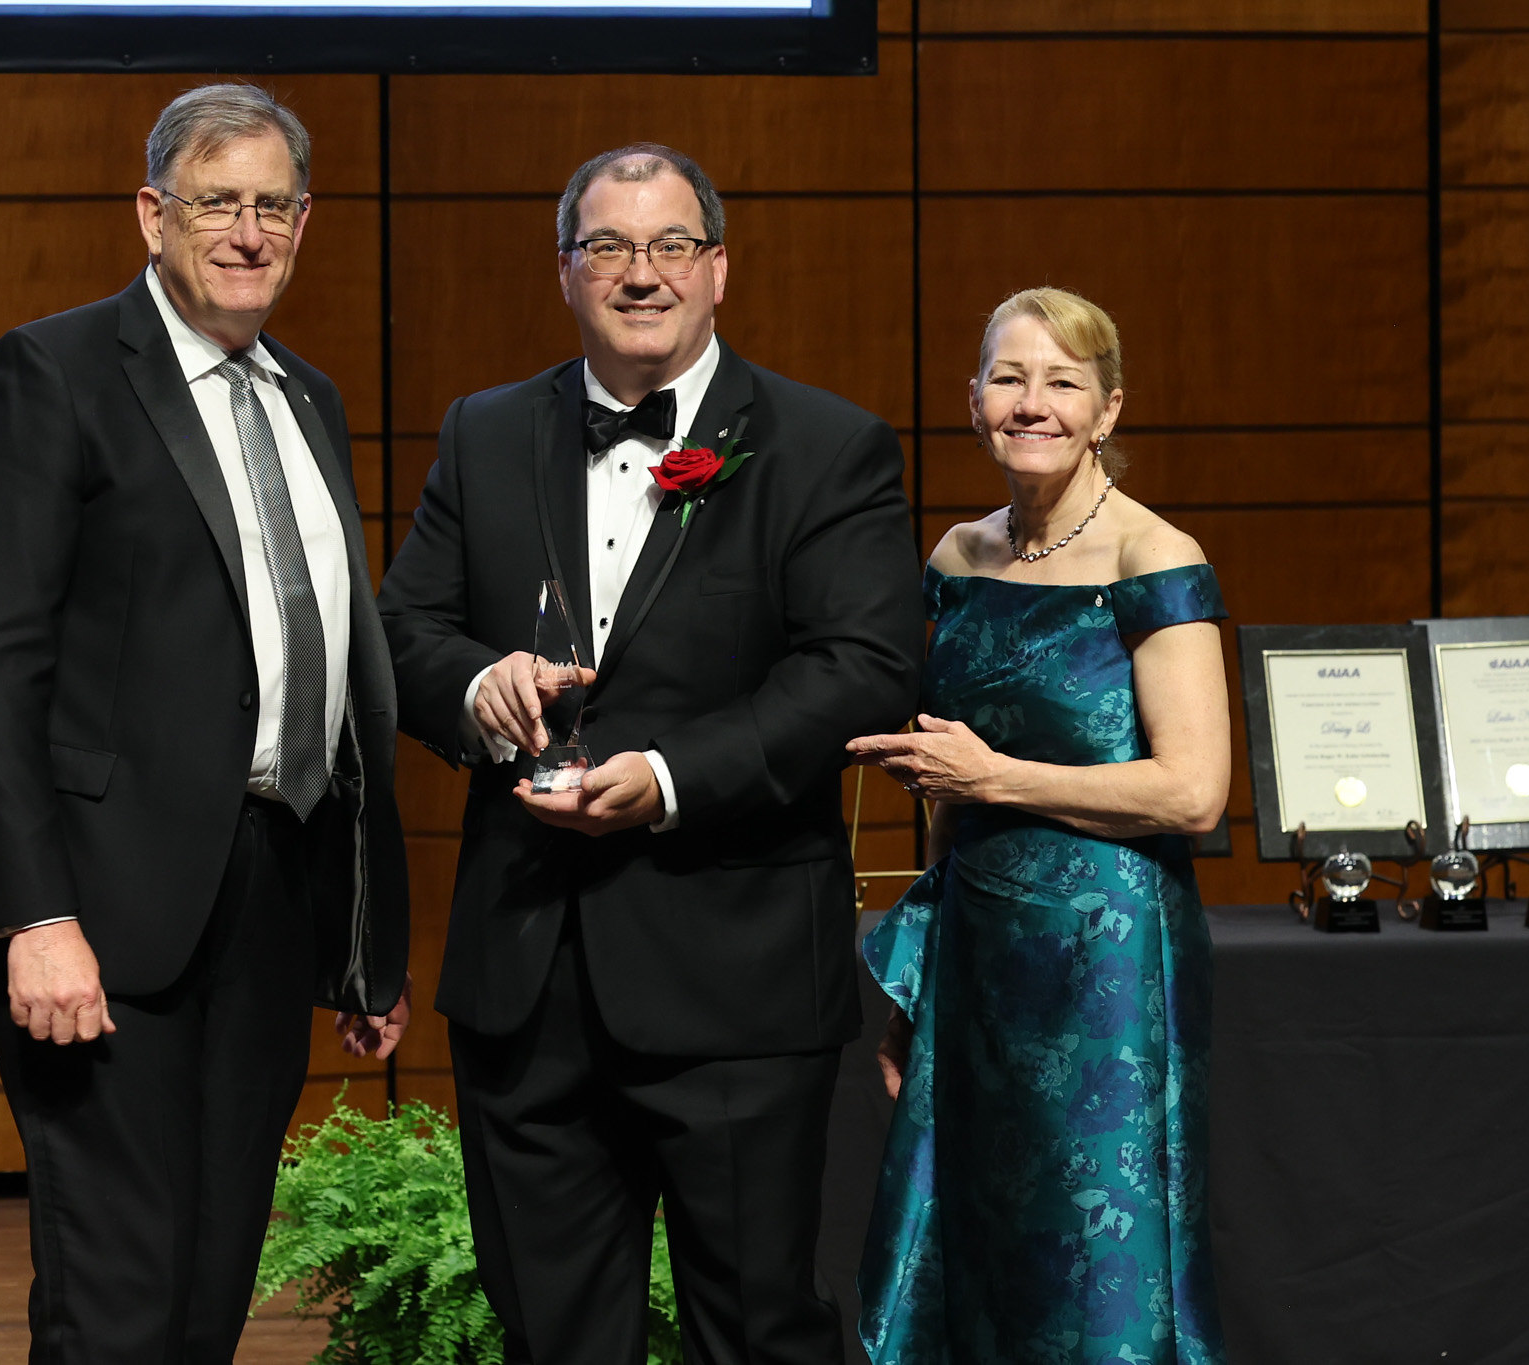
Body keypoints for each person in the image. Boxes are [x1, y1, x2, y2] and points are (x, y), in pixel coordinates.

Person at [377, 143, 924, 1364]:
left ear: (717, 269)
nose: (640, 273)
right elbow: (399, 631)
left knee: (760, 1332)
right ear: (564, 271)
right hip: (526, 978)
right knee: (554, 1338)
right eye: (607, 247)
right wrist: (478, 684)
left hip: (735, 978)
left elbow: (860, 668)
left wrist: (673, 778)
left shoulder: (826, 445)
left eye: (669, 245)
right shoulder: (485, 432)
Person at [0, 83, 410, 1364]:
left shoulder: (308, 398)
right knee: (120, 1285)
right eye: (215, 202)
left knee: (209, 1276)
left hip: (266, 883)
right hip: (95, 900)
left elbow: (334, 668)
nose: (247, 233)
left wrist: (361, 931)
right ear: (151, 213)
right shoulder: (52, 372)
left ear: (305, 221)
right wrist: (33, 914)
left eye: (272, 206)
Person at [847, 288, 1231, 1364]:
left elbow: (1193, 792)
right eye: (1009, 379)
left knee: (1095, 1246)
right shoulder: (955, 561)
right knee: (975, 1237)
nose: (1032, 403)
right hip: (974, 953)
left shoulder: (1150, 559)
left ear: (1108, 410)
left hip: (1107, 963)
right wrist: (915, 988)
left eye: (1061, 382)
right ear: (972, 402)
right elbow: (939, 777)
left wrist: (996, 778)